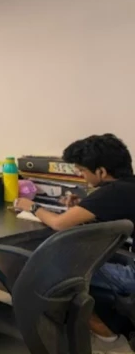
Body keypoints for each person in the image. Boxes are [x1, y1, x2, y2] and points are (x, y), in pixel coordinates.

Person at [15, 134, 135, 351]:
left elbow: (59, 224)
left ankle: (106, 337)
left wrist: (31, 206)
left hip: (132, 275)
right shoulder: (127, 187)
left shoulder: (113, 192)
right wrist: (84, 206)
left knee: (57, 271)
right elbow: (111, 210)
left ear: (101, 171)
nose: (81, 175)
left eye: (82, 170)